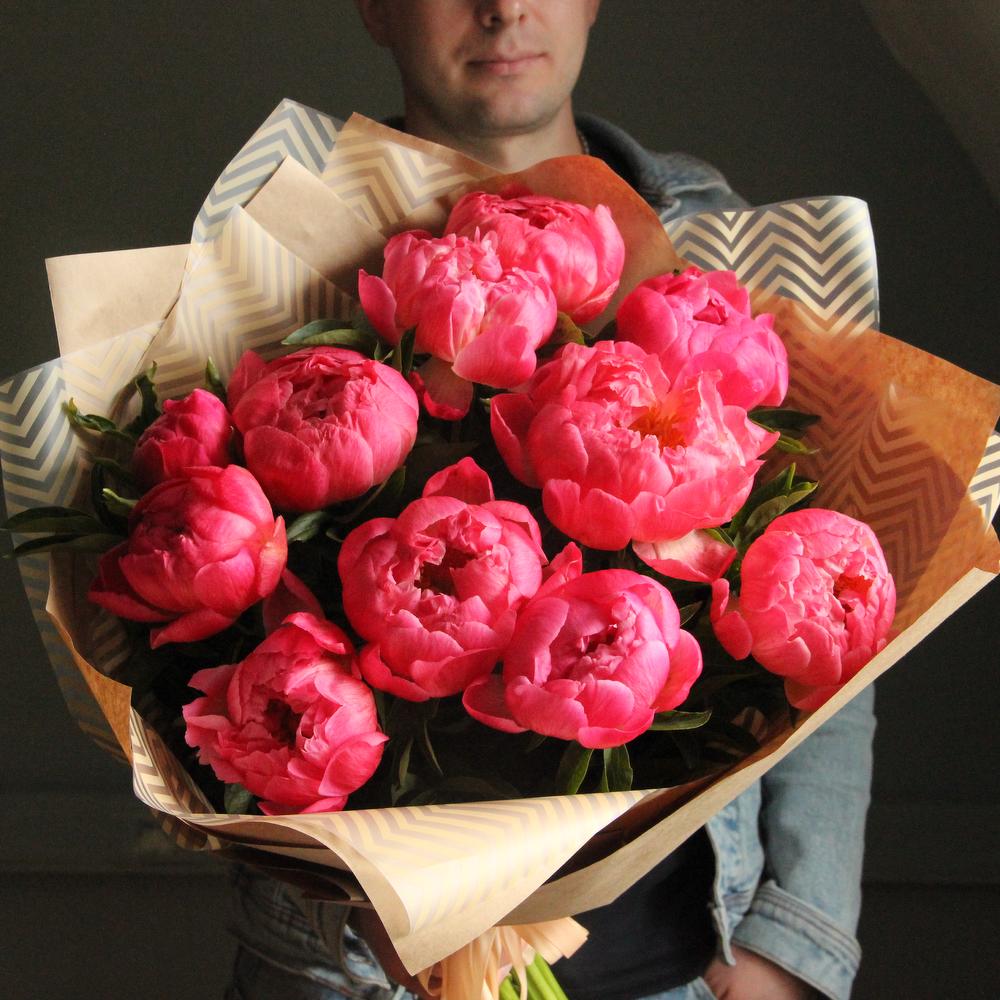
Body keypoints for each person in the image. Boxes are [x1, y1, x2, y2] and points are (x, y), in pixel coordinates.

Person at [226, 3, 876, 999]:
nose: (504, 7)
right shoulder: (271, 255)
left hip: (687, 974)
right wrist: (356, 914)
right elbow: (200, 683)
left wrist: (793, 951)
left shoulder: (726, 250)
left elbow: (842, 618)